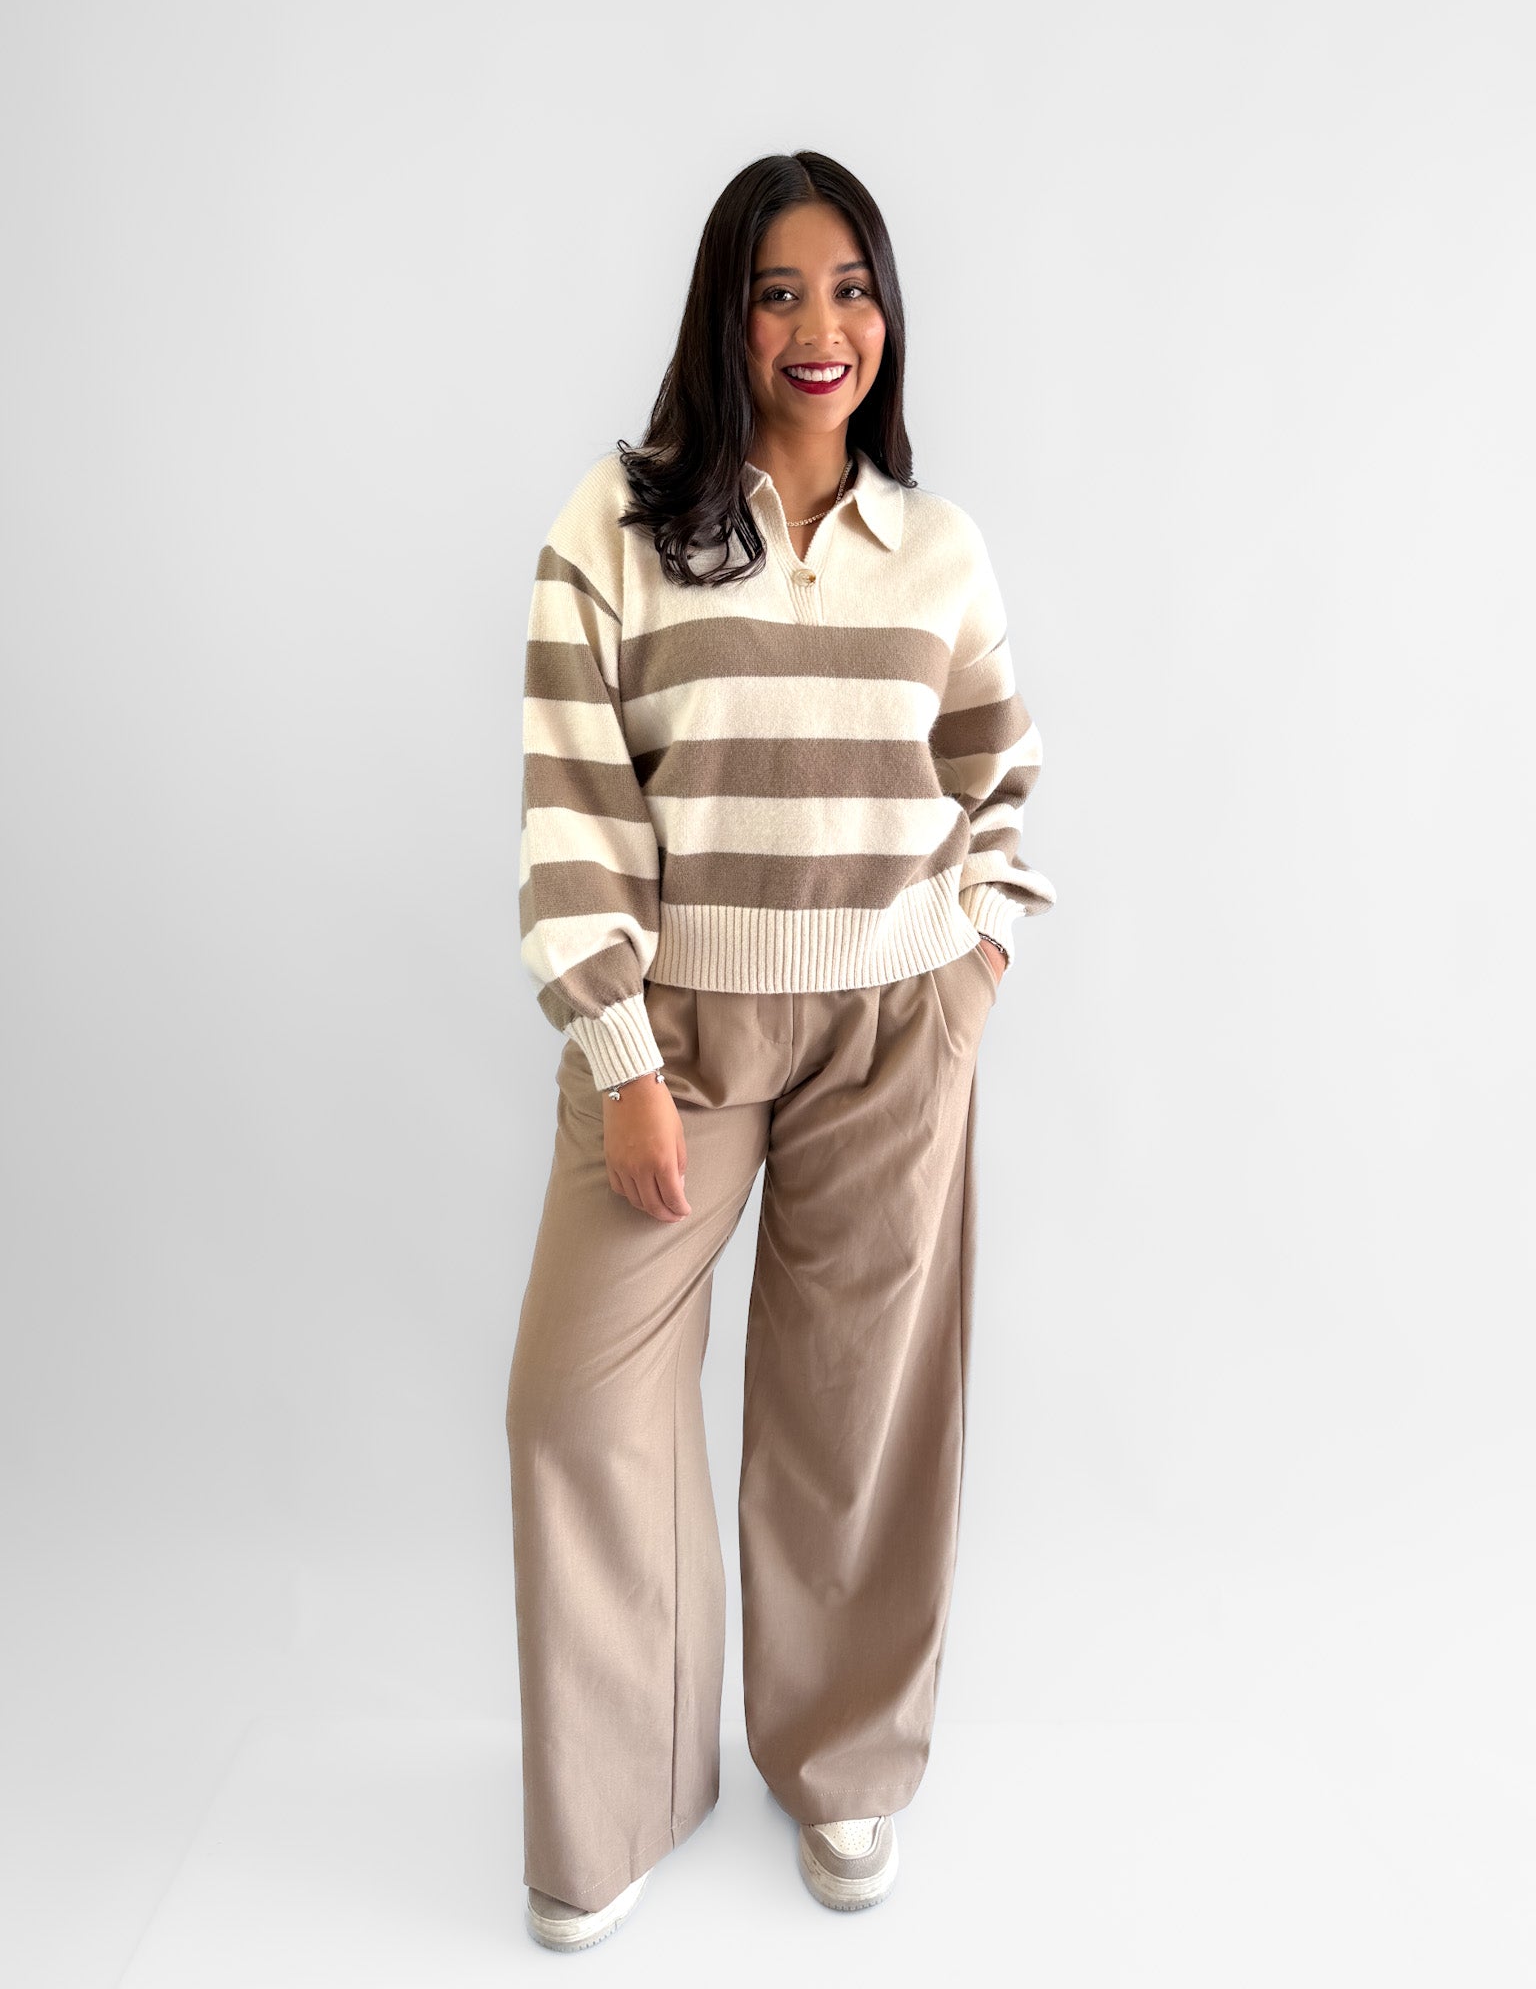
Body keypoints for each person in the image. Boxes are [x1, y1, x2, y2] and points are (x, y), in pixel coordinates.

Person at [506, 148, 1056, 1952]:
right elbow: (574, 803)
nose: (823, 328)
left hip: (895, 1027)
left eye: (851, 288)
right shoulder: (618, 525)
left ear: (886, 313)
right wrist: (620, 1055)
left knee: (853, 1412)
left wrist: (974, 967)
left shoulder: (936, 547)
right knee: (577, 1400)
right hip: (680, 1032)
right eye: (779, 293)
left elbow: (998, 775)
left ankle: (842, 1765)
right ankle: (617, 1794)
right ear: (725, 317)